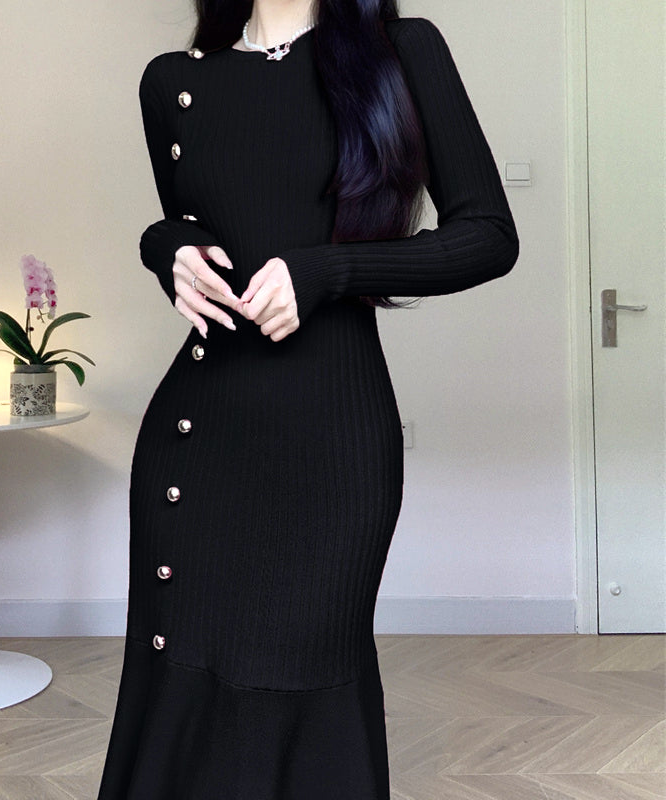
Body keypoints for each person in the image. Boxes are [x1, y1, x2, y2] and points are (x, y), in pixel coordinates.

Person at [99, 0, 518, 797]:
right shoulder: (172, 82)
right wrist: (165, 247)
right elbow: (195, 225)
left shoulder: (399, 52)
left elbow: (490, 235)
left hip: (330, 443)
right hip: (199, 434)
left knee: (305, 678)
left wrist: (331, 270)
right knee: (180, 686)